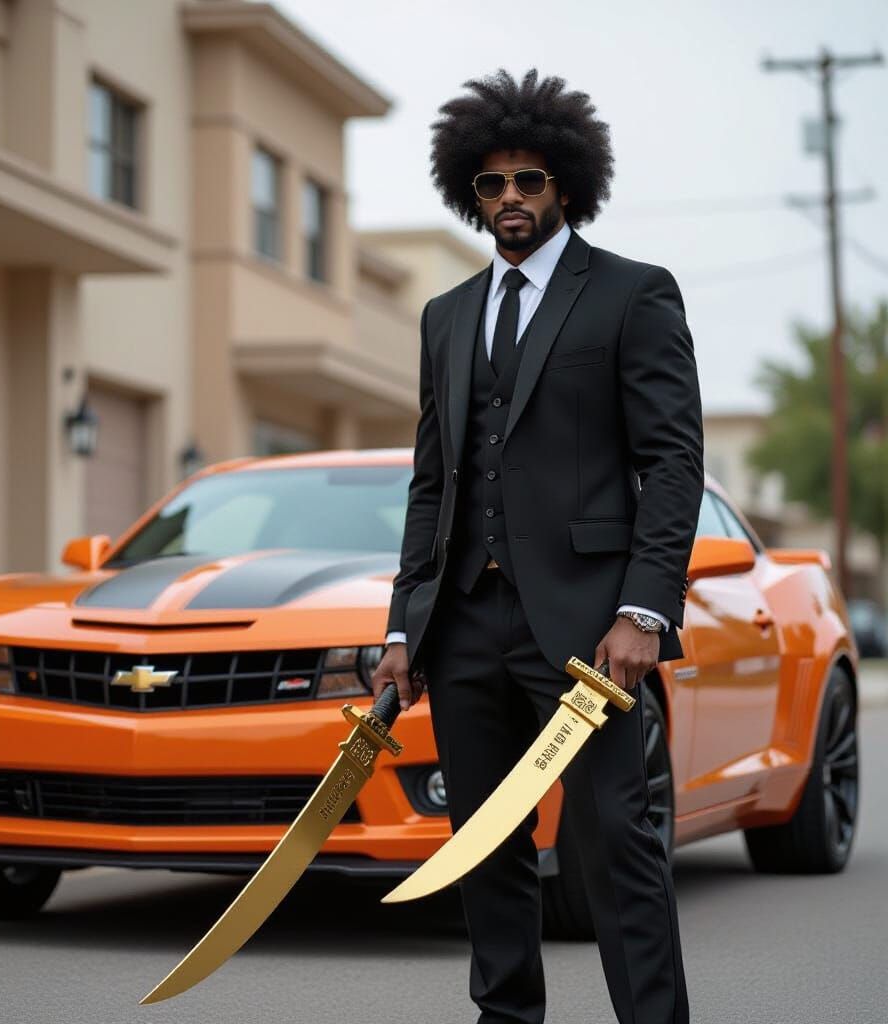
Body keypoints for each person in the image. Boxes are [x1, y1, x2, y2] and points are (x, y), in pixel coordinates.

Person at [370, 68, 703, 1024]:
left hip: (592, 631)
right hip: (466, 625)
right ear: (468, 193)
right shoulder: (445, 318)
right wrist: (404, 625)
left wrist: (645, 608)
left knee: (615, 845)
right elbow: (433, 485)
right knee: (486, 848)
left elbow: (673, 463)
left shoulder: (633, 295)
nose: (510, 197)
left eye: (529, 179)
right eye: (491, 183)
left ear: (565, 184)